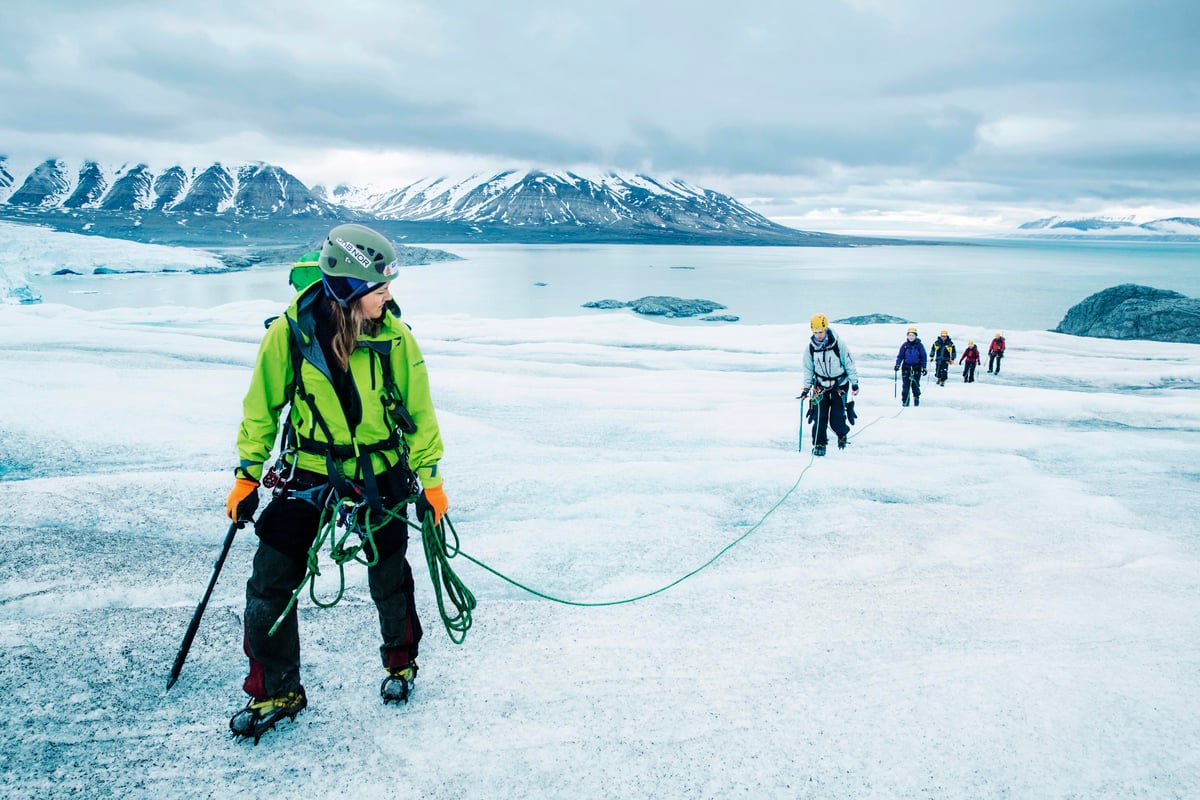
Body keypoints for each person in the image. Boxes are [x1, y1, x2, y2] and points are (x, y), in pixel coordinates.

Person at [224, 223, 448, 742]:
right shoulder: (289, 333)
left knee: (389, 570)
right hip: (311, 468)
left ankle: (400, 664)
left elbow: (420, 412)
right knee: (270, 581)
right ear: (347, 287)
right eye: (378, 285)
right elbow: (262, 409)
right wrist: (246, 476)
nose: (388, 294)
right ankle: (276, 688)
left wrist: (431, 479)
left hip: (378, 468)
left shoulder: (395, 338)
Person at [799, 313, 859, 456]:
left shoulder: (838, 344)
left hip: (840, 384)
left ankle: (842, 433)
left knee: (836, 417)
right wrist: (806, 389)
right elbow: (808, 369)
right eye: (816, 332)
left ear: (826, 329)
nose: (818, 335)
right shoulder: (810, 348)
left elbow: (849, 363)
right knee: (819, 416)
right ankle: (819, 444)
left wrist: (855, 383)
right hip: (820, 386)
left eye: (821, 332)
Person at [894, 326, 927, 407]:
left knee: (915, 385)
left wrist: (924, 367)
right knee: (906, 386)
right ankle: (905, 402)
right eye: (910, 335)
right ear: (907, 336)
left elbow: (923, 357)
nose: (911, 337)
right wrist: (897, 364)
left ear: (915, 336)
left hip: (916, 368)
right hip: (906, 368)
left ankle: (916, 400)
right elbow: (900, 356)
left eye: (913, 335)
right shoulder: (904, 345)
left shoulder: (919, 346)